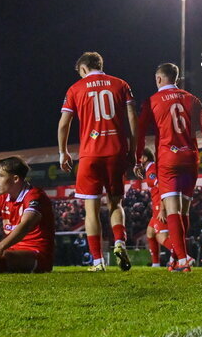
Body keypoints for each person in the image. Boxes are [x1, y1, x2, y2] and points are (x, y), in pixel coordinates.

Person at [134, 62, 202, 272]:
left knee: (174, 211)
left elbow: (140, 132)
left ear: (159, 79)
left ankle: (183, 258)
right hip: (190, 159)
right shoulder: (191, 99)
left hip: (169, 160)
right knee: (183, 213)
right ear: (176, 78)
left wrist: (137, 157)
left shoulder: (152, 101)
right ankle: (177, 259)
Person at [58, 51, 138, 272]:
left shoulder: (75, 88)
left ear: (83, 69)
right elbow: (132, 118)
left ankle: (97, 262)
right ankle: (120, 243)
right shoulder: (121, 84)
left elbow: (64, 123)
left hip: (90, 154)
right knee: (116, 203)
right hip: (116, 151)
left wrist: (63, 152)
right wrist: (133, 149)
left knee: (91, 210)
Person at [138, 148, 170, 267]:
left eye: (139, 158)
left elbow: (162, 186)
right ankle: (156, 264)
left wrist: (162, 209)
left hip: (160, 206)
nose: (137, 161)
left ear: (145, 158)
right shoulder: (149, 169)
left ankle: (183, 256)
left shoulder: (151, 170)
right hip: (156, 206)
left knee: (161, 237)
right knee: (150, 233)